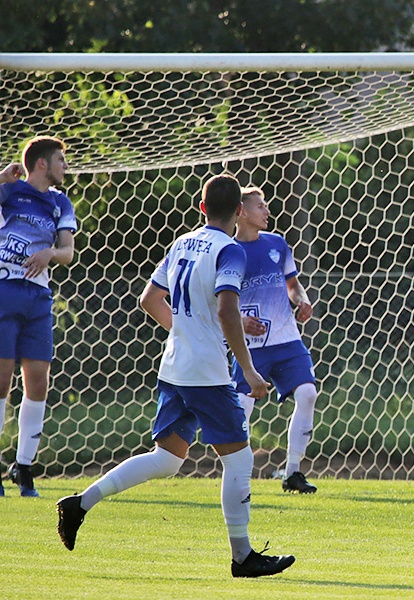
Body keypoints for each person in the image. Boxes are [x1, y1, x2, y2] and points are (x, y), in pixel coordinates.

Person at [55, 174, 295, 578]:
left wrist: (185, 331)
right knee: (239, 460)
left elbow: (150, 299)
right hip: (206, 374)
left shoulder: (182, 241)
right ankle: (242, 556)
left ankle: (80, 503)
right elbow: (225, 310)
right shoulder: (231, 251)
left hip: (175, 366)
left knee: (167, 459)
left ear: (201, 208)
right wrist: (250, 371)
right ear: (239, 210)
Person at [0, 137, 76, 498]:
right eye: (61, 160)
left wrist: (50, 253)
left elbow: (68, 252)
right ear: (42, 164)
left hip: (38, 298)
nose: (66, 166)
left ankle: (24, 467)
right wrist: (2, 176)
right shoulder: (10, 190)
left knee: (38, 381)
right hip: (4, 290)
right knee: (1, 381)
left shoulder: (61, 202)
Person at [233, 185, 318, 494]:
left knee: (308, 393)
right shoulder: (228, 251)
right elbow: (217, 299)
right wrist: (240, 322)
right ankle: (238, 476)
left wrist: (301, 300)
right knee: (242, 406)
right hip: (251, 346)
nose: (267, 211)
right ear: (241, 211)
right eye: (260, 206)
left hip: (287, 340)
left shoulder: (277, 244)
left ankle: (293, 472)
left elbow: (292, 284)